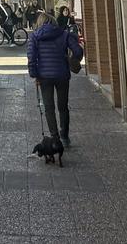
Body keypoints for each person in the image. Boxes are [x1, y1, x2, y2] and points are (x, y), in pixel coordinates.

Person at [27, 11, 84, 147]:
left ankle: (55, 137)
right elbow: (78, 51)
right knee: (63, 106)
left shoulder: (35, 36)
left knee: (49, 107)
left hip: (44, 76)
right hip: (62, 74)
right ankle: (65, 136)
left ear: (40, 23)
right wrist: (70, 59)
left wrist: (34, 75)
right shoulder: (64, 34)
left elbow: (31, 58)